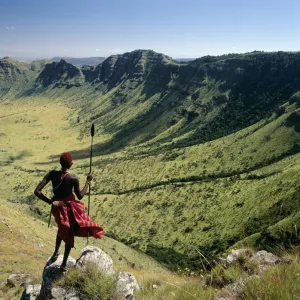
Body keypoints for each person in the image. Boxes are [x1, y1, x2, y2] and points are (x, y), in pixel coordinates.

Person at [34, 152, 104, 271]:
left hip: (56, 207)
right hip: (68, 209)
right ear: (70, 164)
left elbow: (37, 191)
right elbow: (80, 196)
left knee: (62, 228)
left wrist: (50, 202)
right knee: (68, 232)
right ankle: (63, 265)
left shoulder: (52, 174)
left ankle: (56, 252)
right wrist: (88, 181)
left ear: (60, 163)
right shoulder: (73, 179)